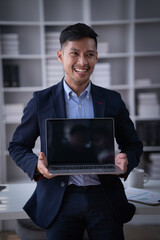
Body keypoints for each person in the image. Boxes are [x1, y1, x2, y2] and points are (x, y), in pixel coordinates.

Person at [9, 23, 143, 240]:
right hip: (60, 199)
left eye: (89, 54)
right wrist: (36, 165)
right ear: (61, 56)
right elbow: (17, 146)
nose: (83, 62)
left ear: (96, 57)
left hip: (104, 197)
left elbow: (134, 144)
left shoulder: (111, 100)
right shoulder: (40, 101)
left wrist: (127, 160)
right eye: (75, 53)